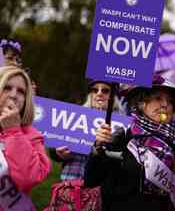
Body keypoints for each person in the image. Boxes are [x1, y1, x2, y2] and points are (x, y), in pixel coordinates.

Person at [84, 44, 175, 211]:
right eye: (158, 98)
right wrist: (98, 148)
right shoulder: (123, 138)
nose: (165, 105)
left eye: (170, 101)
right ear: (142, 103)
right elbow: (91, 179)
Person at [50, 80, 123, 181]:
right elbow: (55, 145)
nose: (99, 93)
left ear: (113, 97)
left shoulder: (122, 125)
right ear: (90, 94)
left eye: (105, 90)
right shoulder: (75, 115)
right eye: (95, 90)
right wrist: (59, 153)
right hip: (70, 182)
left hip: (101, 186)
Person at [0, 66, 51, 210]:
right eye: (7, 88)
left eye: (21, 91)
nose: (14, 95)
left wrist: (13, 132)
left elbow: (29, 178)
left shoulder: (32, 137)